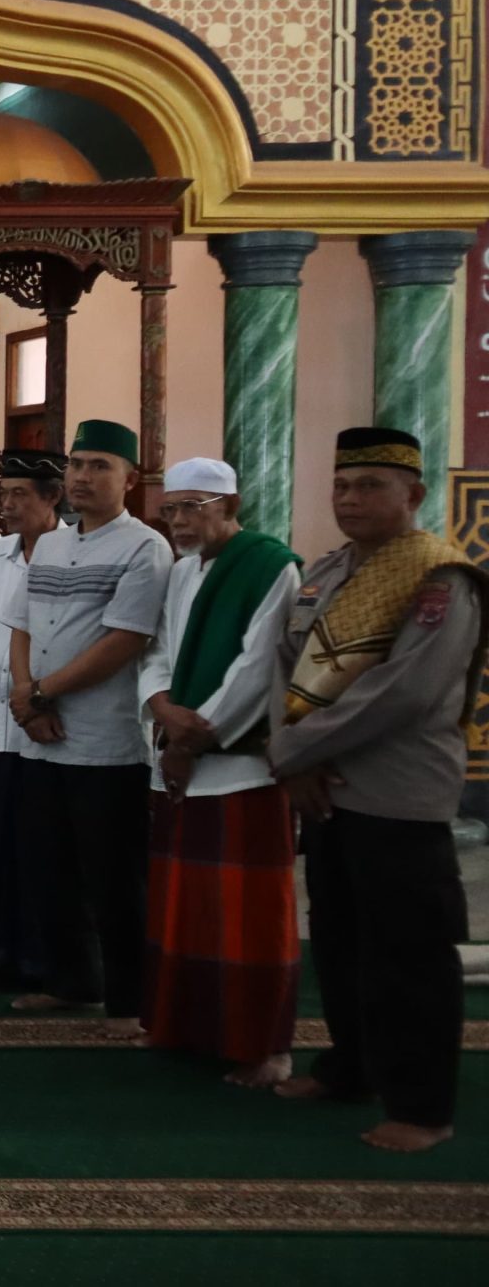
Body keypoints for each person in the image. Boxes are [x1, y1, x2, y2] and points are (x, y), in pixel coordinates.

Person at [270, 427, 483, 1153]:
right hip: (324, 790)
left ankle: (422, 1107)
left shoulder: (439, 579)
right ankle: (349, 1069)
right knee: (341, 942)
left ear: (414, 495)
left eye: (370, 486)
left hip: (396, 793)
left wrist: (295, 748)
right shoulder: (327, 573)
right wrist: (291, 759)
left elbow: (406, 693)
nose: (351, 498)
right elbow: (285, 666)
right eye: (342, 485)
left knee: (410, 956)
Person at [134, 458, 301, 1087]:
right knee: (184, 907)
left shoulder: (270, 566)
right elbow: (155, 652)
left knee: (248, 917)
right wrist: (161, 707)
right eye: (170, 509)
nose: (177, 520)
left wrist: (193, 736)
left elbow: (259, 668)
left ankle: (263, 1048)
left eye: (191, 506)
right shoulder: (180, 573)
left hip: (240, 768)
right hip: (182, 756)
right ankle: (186, 1027)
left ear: (229, 506)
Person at [2, 419, 172, 1035]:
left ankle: (129, 1000)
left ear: (129, 478)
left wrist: (42, 693)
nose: (82, 476)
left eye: (99, 465)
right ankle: (71, 982)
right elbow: (19, 625)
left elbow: (124, 641)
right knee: (51, 870)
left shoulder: (144, 547)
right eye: (76, 464)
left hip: (103, 744)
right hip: (40, 736)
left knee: (114, 880)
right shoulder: (50, 543)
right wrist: (25, 693)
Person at [0, 449, 66, 982]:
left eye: (21, 495)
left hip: (50, 724)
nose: (10, 505)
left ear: (53, 498)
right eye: (6, 494)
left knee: (41, 848)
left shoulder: (71, 552)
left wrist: (39, 700)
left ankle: (38, 956)